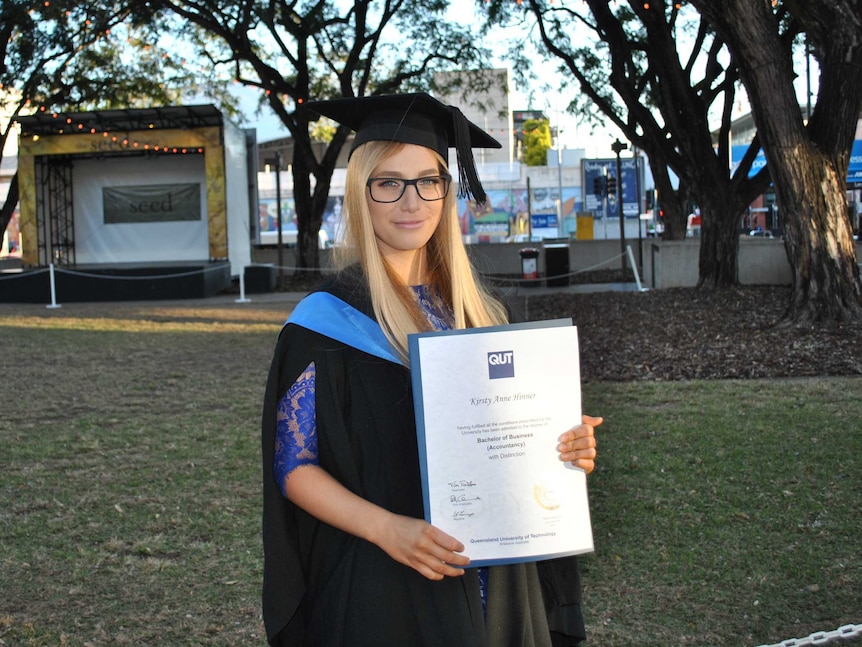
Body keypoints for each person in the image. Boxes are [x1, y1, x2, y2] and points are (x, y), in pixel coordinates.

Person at [261, 93, 601, 647]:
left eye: (428, 180)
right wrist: (388, 530)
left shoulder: (482, 316)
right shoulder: (323, 323)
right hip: (386, 580)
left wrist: (563, 445)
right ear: (361, 193)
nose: (410, 200)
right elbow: (293, 466)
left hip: (500, 578)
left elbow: (510, 446)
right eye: (388, 182)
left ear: (446, 190)